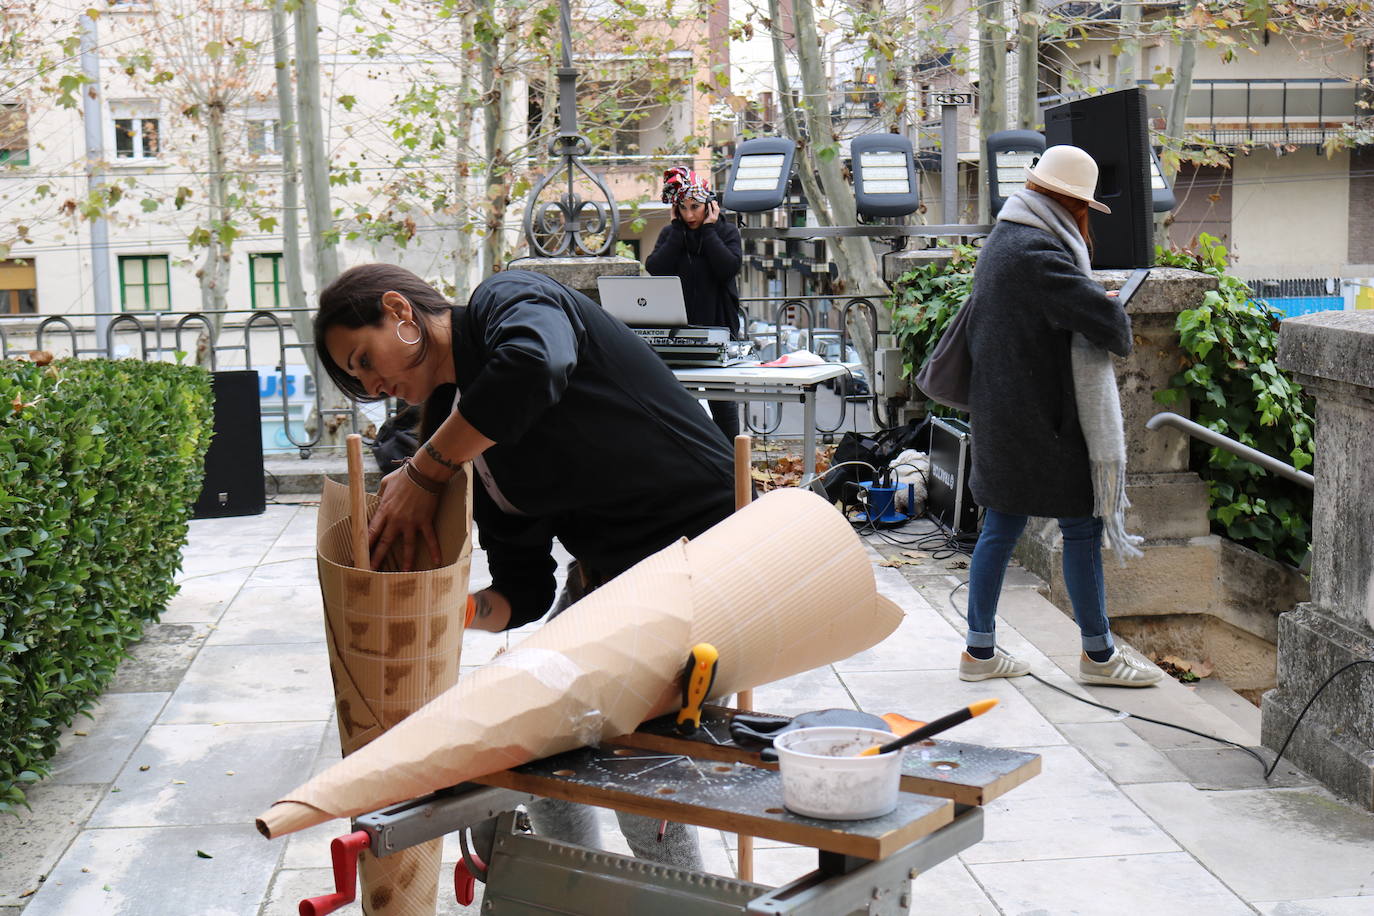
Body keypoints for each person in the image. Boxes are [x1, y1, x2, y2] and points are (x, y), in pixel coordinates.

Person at [314, 264, 737, 867]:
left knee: (630, 752)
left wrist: (428, 472)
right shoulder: (463, 436)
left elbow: (536, 365)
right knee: (521, 733)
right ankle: (573, 891)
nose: (371, 384)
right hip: (612, 585)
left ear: (400, 311)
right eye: (356, 377)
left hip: (710, 553)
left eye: (362, 359)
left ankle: (677, 895)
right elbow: (525, 589)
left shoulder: (507, 299)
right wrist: (442, 610)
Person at [958, 144, 1161, 688]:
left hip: (1006, 412)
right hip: (1041, 422)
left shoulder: (1008, 238)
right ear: (1072, 203)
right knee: (1081, 525)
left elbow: (1058, 305)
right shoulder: (1038, 253)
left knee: (1000, 527)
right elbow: (1109, 329)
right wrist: (1106, 302)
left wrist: (1090, 297)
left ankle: (979, 651)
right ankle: (1098, 657)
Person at [645, 165, 743, 440]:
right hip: (678, 331)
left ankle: (731, 462)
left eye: (695, 207)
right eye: (683, 208)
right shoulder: (672, 234)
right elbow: (655, 267)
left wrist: (709, 231)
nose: (689, 215)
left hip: (719, 329)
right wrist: (676, 230)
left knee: (723, 404)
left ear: (710, 205)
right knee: (677, 402)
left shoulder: (727, 232)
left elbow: (727, 268)